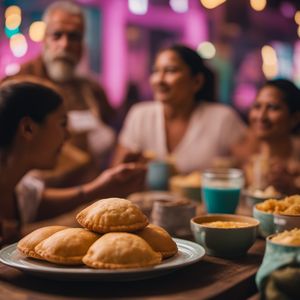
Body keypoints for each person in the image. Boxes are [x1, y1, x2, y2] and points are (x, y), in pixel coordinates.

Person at [0, 80, 146, 247]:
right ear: (28, 129)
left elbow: (38, 201)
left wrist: (104, 187)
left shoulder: (19, 189)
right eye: (63, 124)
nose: (68, 135)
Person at [3, 0, 116, 183]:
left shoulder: (93, 90)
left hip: (92, 197)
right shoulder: (18, 85)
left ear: (82, 45)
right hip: (38, 201)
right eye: (57, 35)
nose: (65, 45)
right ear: (44, 40)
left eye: (74, 37)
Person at [112, 44, 246, 174]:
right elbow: (117, 173)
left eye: (170, 71)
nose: (159, 80)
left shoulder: (222, 118)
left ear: (196, 82)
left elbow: (249, 166)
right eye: (156, 71)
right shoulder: (140, 115)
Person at [232, 79, 300, 194]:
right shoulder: (242, 155)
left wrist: (294, 188)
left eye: (273, 107)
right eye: (257, 106)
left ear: (295, 118)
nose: (261, 117)